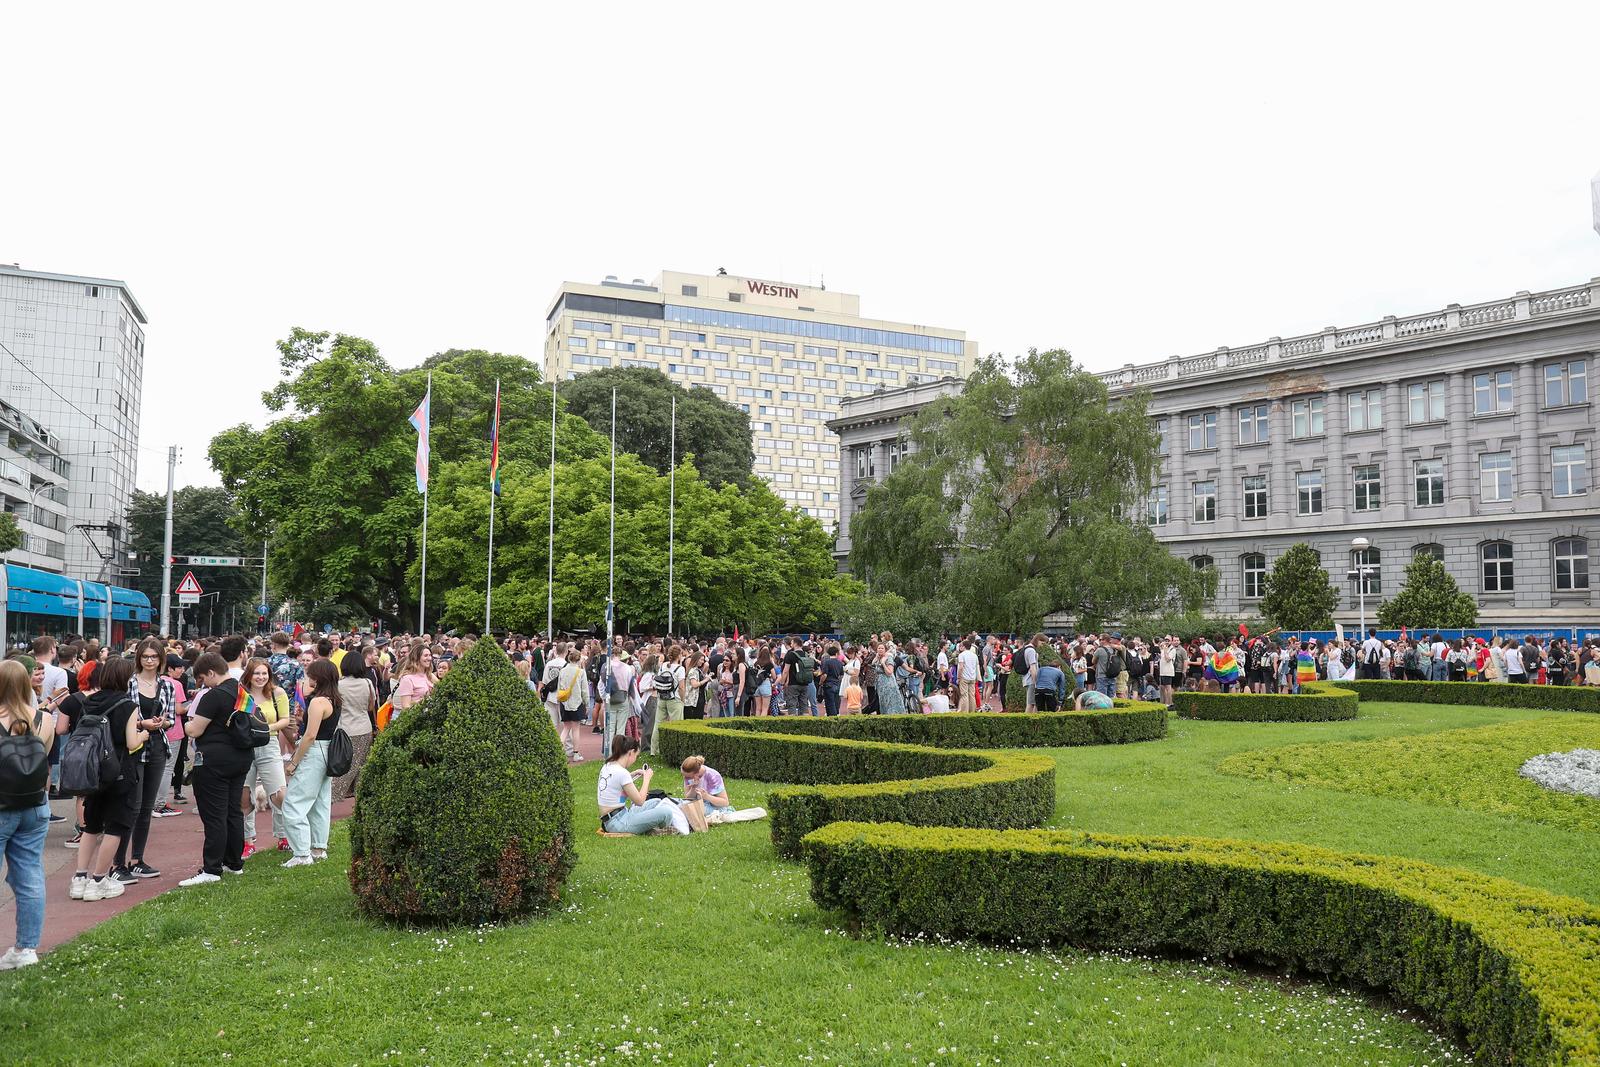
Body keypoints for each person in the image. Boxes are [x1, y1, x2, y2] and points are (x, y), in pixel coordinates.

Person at [67, 657, 147, 902]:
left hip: (93, 772)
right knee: (115, 827)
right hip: (119, 772)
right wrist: (144, 734)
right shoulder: (128, 705)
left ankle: (79, 878)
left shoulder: (89, 701)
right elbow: (131, 743)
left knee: (91, 826)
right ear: (125, 678)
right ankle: (99, 880)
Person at [178, 654, 251, 886]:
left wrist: (185, 723)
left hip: (214, 760)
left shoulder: (214, 695)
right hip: (240, 757)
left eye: (202, 679)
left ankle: (212, 868)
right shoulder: (242, 692)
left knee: (214, 815)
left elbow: (195, 730)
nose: (203, 684)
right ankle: (234, 862)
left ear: (211, 673)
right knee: (233, 811)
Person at [110, 638, 179, 882]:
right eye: (145, 656)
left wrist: (162, 723)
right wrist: (142, 723)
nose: (150, 661)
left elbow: (172, 718)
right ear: (138, 658)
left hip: (158, 746)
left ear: (161, 659)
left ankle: (137, 859)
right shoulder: (129, 682)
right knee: (132, 806)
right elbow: (121, 716)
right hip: (134, 747)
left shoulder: (167, 685)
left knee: (147, 808)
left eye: (154, 656)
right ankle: (117, 863)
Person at [0, 659, 53, 970]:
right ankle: (26, 948)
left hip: (2, 806)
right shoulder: (43, 719)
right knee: (30, 875)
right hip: (35, 805)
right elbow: (43, 759)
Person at [282, 659, 340, 868]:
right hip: (327, 751)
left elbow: (310, 736)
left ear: (318, 678)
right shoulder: (335, 699)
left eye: (310, 675)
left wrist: (294, 761)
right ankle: (318, 848)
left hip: (314, 752)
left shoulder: (318, 702)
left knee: (294, 803)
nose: (308, 679)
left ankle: (301, 853)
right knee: (320, 802)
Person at [238, 658, 293, 858]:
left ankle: (284, 836)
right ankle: (248, 840)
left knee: (279, 793)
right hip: (244, 748)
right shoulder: (241, 695)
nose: (260, 677)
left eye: (264, 673)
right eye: (256, 673)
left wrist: (265, 728)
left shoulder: (277, 693)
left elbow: (285, 720)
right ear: (249, 675)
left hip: (269, 745)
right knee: (245, 796)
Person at [596, 735, 694, 835]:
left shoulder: (608, 766)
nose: (635, 759)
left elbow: (616, 782)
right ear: (631, 752)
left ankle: (650, 826)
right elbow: (640, 801)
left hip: (615, 817)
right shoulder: (622, 773)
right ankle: (661, 830)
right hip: (618, 823)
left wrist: (632, 774)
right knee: (666, 813)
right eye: (636, 756)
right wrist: (646, 779)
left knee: (656, 801)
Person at [332, 651, 376, 801]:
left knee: (344, 766)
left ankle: (332, 795)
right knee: (362, 766)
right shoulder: (368, 683)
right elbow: (371, 707)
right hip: (365, 727)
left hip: (345, 729)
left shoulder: (338, 685)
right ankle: (361, 799)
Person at [391, 642, 436, 717]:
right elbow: (406, 707)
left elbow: (441, 688)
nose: (429, 658)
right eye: (426, 655)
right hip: (416, 718)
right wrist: (423, 700)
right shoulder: (407, 679)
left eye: (430, 655)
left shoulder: (429, 675)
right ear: (416, 658)